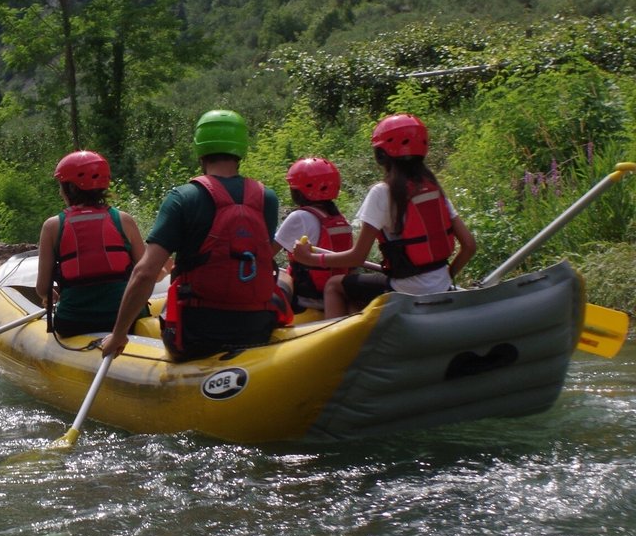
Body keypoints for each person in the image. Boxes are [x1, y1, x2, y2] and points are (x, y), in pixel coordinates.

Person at [99, 110, 287, 363]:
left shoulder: (183, 198)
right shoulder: (268, 198)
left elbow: (145, 272)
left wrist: (118, 334)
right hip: (258, 328)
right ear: (241, 147)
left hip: (196, 336)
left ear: (200, 148)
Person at [291, 114, 477, 317]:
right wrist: (445, 278)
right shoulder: (434, 189)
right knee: (355, 289)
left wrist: (311, 259)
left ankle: (332, 343)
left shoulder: (383, 192)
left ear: (381, 154)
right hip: (441, 285)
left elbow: (357, 257)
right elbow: (469, 246)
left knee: (335, 285)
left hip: (404, 290)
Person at [36, 150, 146, 336]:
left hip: (74, 321)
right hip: (128, 319)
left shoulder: (52, 226)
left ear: (69, 188)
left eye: (61, 185)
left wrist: (48, 296)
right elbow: (145, 275)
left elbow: (42, 287)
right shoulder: (124, 220)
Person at [274, 157, 353, 315]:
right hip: (337, 294)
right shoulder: (339, 219)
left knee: (278, 272)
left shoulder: (299, 217)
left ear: (298, 191)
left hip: (307, 298)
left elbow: (267, 253)